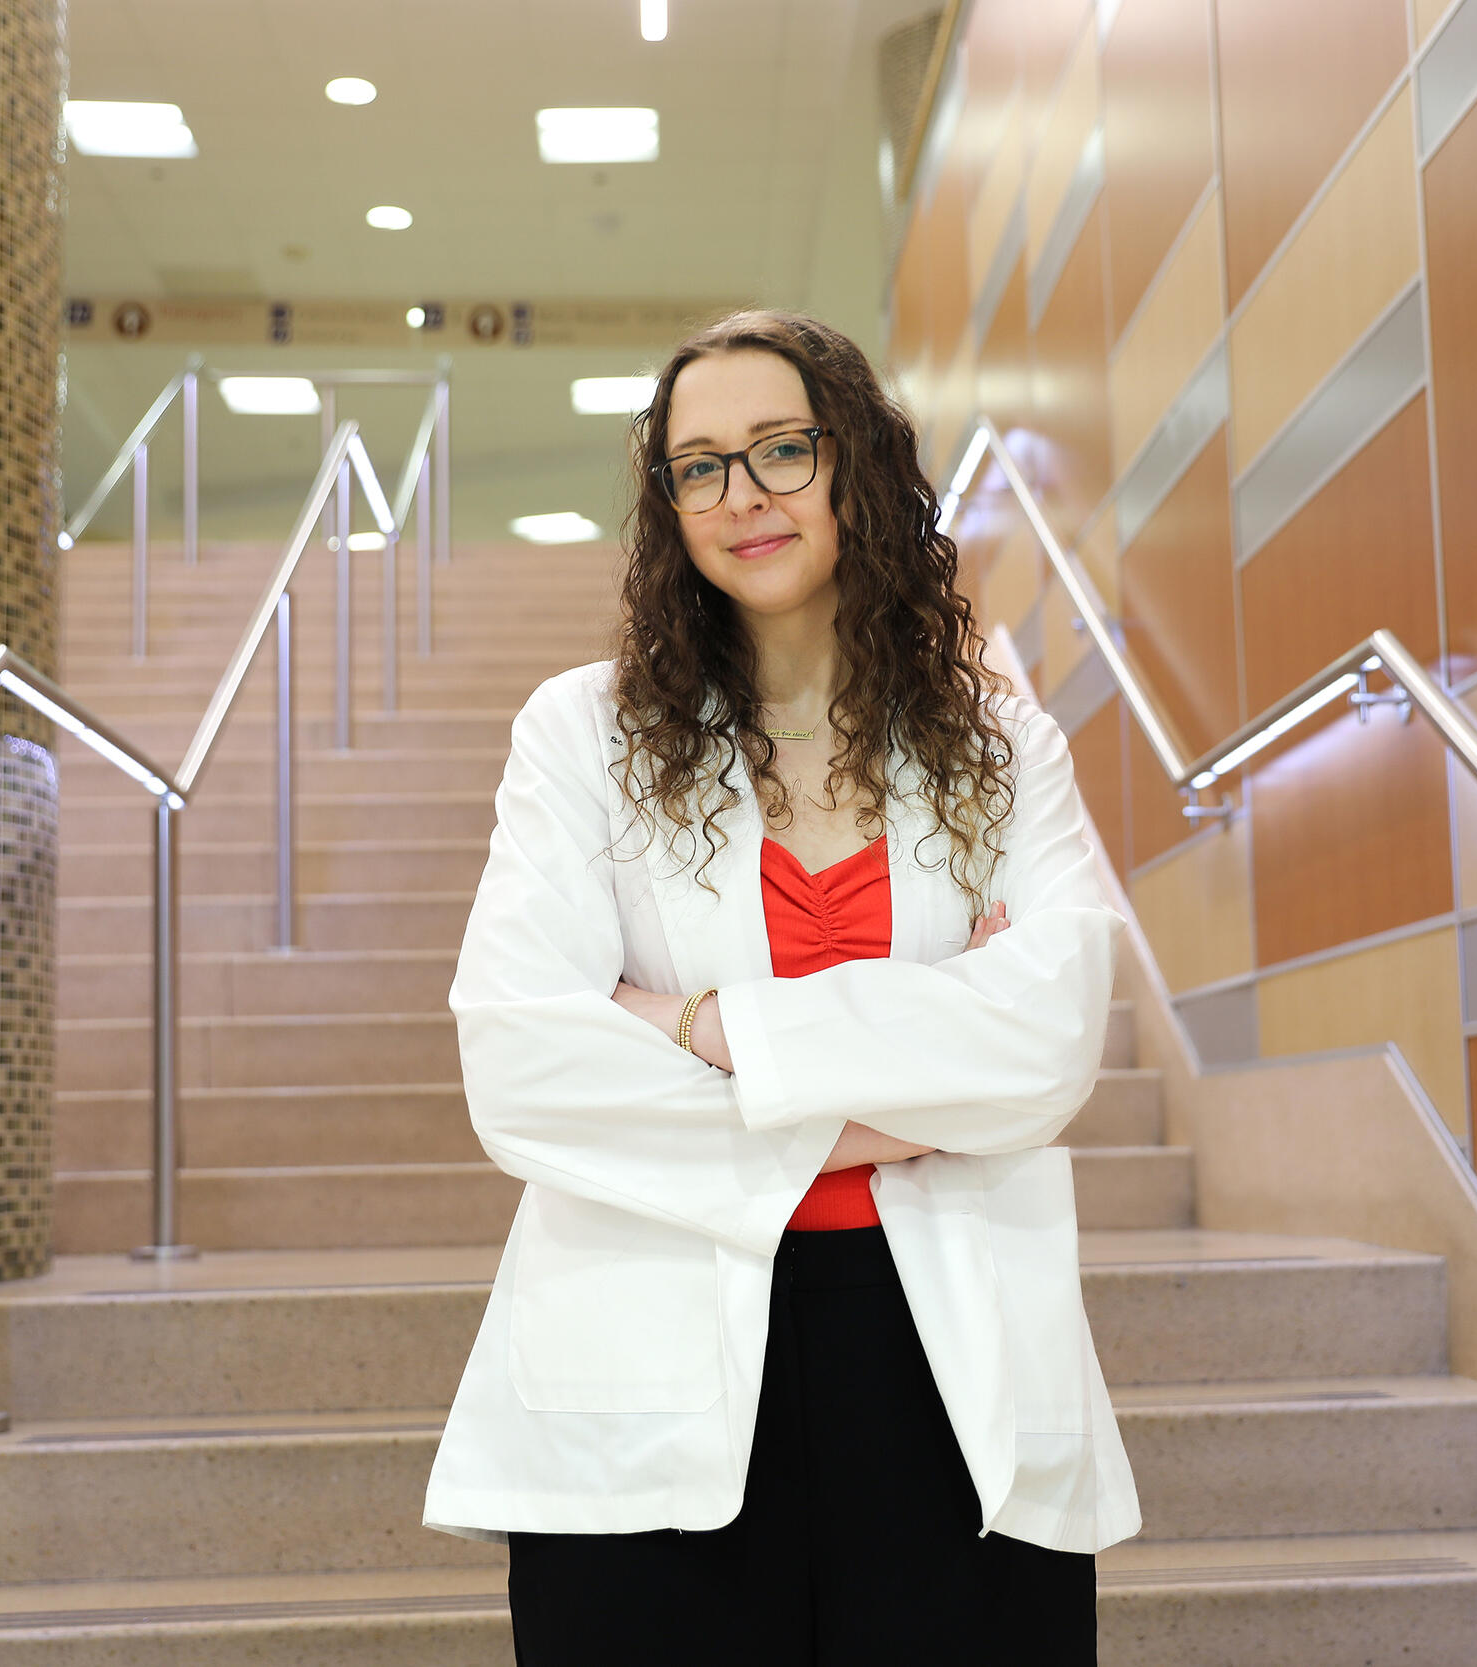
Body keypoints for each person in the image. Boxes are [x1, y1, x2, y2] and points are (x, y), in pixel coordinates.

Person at [425, 309, 1140, 1666]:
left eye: (780, 449)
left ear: (856, 464)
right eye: (699, 466)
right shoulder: (582, 732)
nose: (740, 494)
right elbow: (523, 1067)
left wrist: (693, 1027)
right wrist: (911, 1096)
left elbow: (1048, 1039)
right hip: (653, 1361)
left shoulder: (989, 731)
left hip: (945, 1364)